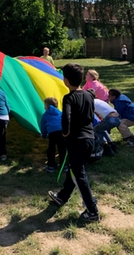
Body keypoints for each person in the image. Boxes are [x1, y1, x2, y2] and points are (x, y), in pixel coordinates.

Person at [48, 63, 99, 222]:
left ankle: (92, 211)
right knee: (75, 169)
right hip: (90, 139)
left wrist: (65, 132)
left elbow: (66, 117)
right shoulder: (88, 95)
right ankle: (62, 197)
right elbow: (91, 100)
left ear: (66, 80)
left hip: (77, 141)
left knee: (79, 174)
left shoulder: (68, 97)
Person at [40, 97, 67, 173]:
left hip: (52, 133)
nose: (44, 107)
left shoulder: (45, 115)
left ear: (47, 106)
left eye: (44, 105)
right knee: (62, 149)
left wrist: (43, 135)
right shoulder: (60, 112)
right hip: (62, 132)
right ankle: (64, 166)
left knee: (51, 149)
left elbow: (43, 127)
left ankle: (50, 166)